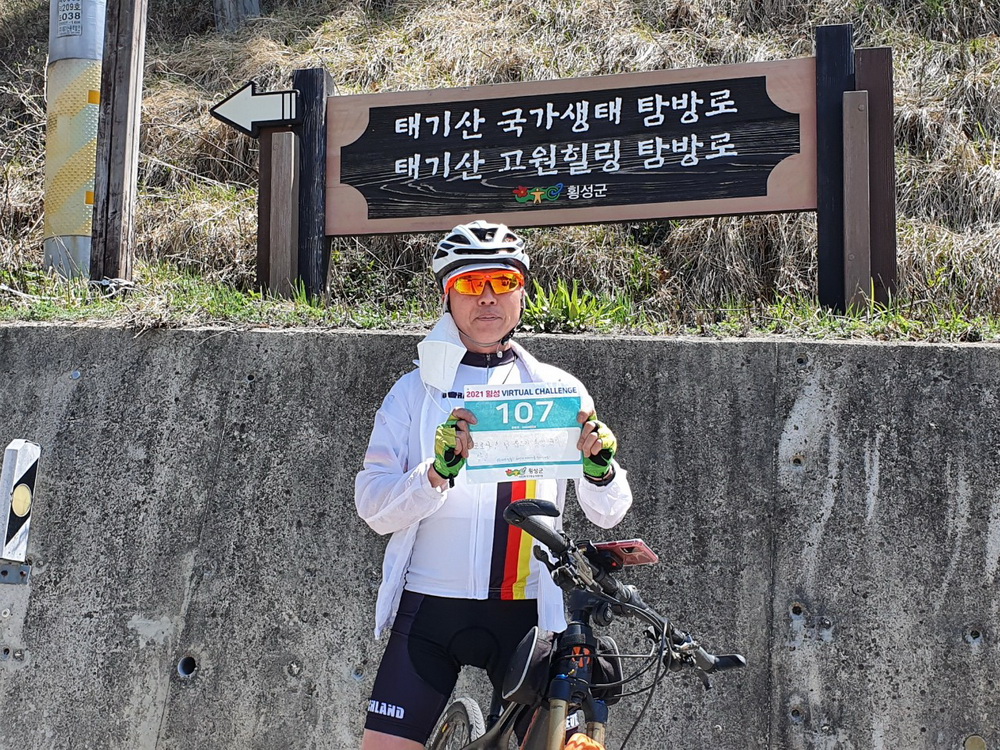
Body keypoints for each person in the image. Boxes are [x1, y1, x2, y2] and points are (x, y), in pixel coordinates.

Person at [355, 220, 633, 750]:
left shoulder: (559, 390)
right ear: (447, 294)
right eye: (470, 283)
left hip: (528, 613)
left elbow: (608, 511)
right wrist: (434, 474)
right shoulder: (414, 392)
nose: (487, 297)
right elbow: (373, 507)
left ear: (522, 293)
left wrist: (600, 469)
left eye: (503, 282)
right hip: (431, 606)